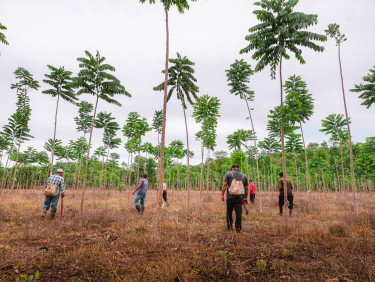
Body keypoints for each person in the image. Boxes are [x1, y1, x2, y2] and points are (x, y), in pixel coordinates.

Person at [221, 164, 249, 232]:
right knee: (238, 213)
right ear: (238, 168)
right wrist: (245, 197)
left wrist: (222, 194)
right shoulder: (244, 176)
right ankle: (238, 228)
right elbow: (247, 188)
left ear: (232, 168)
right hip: (240, 197)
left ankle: (229, 227)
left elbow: (225, 185)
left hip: (230, 197)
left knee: (229, 212)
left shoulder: (228, 174)